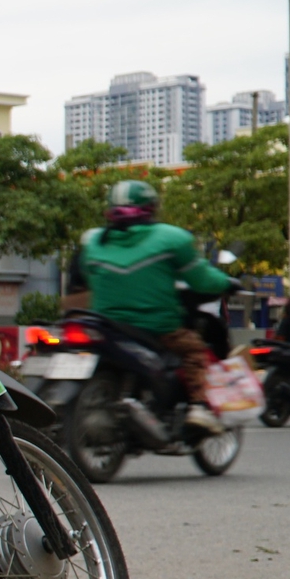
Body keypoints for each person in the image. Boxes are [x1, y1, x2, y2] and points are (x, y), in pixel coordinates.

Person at [64, 179, 234, 433]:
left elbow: (88, 278)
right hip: (157, 326)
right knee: (194, 351)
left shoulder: (93, 242)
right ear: (151, 208)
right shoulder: (171, 238)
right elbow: (203, 280)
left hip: (105, 324)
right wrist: (227, 282)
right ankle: (199, 408)